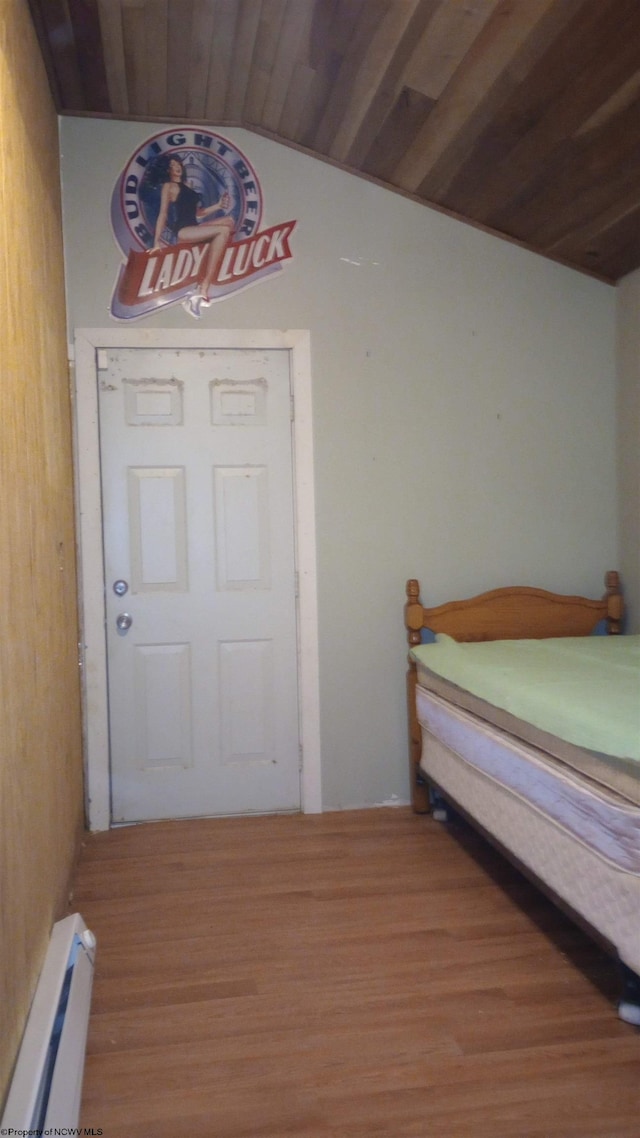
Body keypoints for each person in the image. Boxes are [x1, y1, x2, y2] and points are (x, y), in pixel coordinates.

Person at [150, 156, 235, 317]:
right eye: (172, 165)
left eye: (177, 163)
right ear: (167, 170)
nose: (177, 166)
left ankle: (207, 258)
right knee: (222, 231)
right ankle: (202, 289)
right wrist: (156, 242)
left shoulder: (187, 186)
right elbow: (163, 213)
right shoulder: (169, 186)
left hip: (194, 226)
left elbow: (198, 213)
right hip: (183, 231)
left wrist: (218, 205)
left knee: (229, 221)